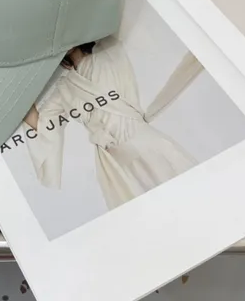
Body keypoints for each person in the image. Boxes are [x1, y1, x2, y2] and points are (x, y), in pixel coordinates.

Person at [23, 37, 202, 210]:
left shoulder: (109, 50)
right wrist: (19, 95)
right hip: (111, 157)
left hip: (138, 136)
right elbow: (42, 125)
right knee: (146, 212)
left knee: (188, 192)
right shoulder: (64, 88)